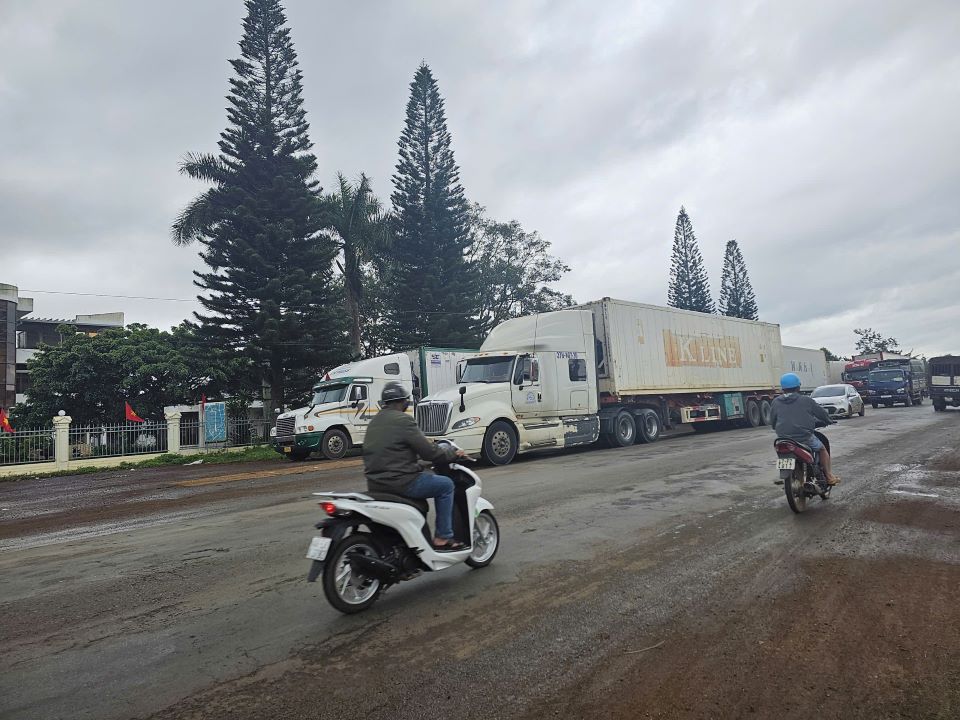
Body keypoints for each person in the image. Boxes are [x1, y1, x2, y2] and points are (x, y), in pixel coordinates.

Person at [363, 381, 468, 551]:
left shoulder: (374, 422)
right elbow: (430, 453)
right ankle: (443, 537)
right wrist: (452, 453)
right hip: (401, 483)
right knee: (446, 485)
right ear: (404, 402)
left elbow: (392, 451)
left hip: (375, 484)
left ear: (385, 403)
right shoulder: (404, 420)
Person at [770, 372, 840, 485]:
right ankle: (829, 476)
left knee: (783, 453)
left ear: (783, 388)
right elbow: (821, 413)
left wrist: (776, 427)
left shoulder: (775, 402)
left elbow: (773, 420)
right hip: (804, 437)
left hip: (783, 438)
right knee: (822, 449)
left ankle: (783, 474)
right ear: (798, 387)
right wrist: (828, 420)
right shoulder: (806, 400)